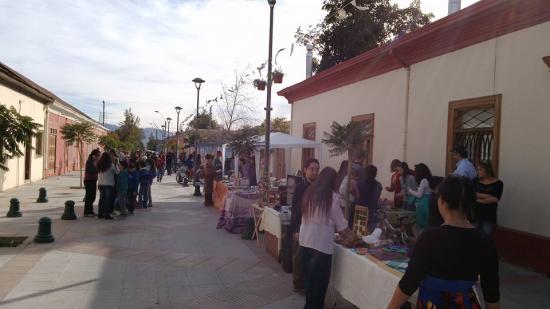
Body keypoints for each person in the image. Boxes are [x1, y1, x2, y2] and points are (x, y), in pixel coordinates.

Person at [388, 176, 500, 309]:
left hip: (432, 304)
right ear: (471, 203)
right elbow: (491, 289)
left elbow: (409, 282)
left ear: (441, 201)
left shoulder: (429, 237)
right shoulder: (485, 241)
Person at [300, 167, 355, 309]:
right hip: (320, 246)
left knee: (310, 283)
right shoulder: (332, 197)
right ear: (333, 181)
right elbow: (341, 227)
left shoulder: (310, 192)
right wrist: (353, 237)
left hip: (305, 241)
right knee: (318, 286)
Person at [290, 158, 320, 294]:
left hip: (313, 227)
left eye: (317, 169)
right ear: (305, 170)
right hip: (300, 226)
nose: (315, 172)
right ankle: (298, 283)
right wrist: (295, 229)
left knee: (308, 256)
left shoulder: (318, 187)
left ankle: (306, 282)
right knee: (298, 255)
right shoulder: (301, 187)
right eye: (312, 169)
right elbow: (295, 209)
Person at [473, 161, 504, 236]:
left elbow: (496, 199)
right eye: (477, 170)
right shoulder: (475, 181)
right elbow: (473, 194)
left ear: (487, 170)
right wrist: (489, 196)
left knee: (486, 237)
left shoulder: (498, 183)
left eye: (480, 170)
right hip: (475, 214)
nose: (477, 172)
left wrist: (478, 198)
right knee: (474, 237)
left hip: (489, 216)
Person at [356, 165, 383, 231]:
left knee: (360, 233)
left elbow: (356, 197)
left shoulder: (359, 184)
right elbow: (376, 198)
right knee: (370, 235)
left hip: (361, 211)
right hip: (372, 212)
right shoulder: (378, 185)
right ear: (375, 174)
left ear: (366, 173)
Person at [408, 163, 433, 233]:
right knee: (426, 221)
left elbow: (419, 195)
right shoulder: (429, 179)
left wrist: (410, 190)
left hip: (423, 203)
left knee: (421, 222)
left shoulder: (423, 181)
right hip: (428, 201)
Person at [97, 152, 118, 220]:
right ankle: (107, 214)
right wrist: (115, 164)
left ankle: (100, 213)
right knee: (107, 200)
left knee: (101, 199)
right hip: (108, 184)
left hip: (100, 184)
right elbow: (117, 172)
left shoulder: (99, 164)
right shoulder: (110, 165)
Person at [83, 149, 101, 217]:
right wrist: (97, 169)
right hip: (88, 180)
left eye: (99, 155)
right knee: (89, 196)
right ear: (94, 156)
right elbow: (89, 170)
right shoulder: (89, 162)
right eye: (98, 155)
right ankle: (87, 212)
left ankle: (90, 210)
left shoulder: (96, 162)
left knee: (93, 196)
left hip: (94, 180)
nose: (99, 156)